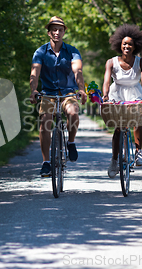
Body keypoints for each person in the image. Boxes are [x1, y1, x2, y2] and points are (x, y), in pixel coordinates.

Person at [29, 16, 87, 177]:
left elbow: (78, 71)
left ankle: (71, 142)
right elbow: (35, 72)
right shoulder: (40, 52)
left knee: (73, 112)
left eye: (60, 29)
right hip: (48, 93)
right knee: (45, 121)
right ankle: (46, 162)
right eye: (54, 29)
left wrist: (81, 89)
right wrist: (34, 90)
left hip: (68, 92)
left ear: (64, 32)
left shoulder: (72, 51)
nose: (57, 32)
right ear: (49, 32)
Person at [102, 24, 142, 178]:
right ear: (119, 45)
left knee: (139, 120)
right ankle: (114, 160)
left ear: (135, 46)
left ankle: (138, 152)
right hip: (117, 95)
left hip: (135, 94)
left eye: (130, 44)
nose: (127, 46)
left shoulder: (141, 62)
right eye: (124, 44)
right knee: (118, 128)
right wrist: (105, 96)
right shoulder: (111, 62)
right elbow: (106, 82)